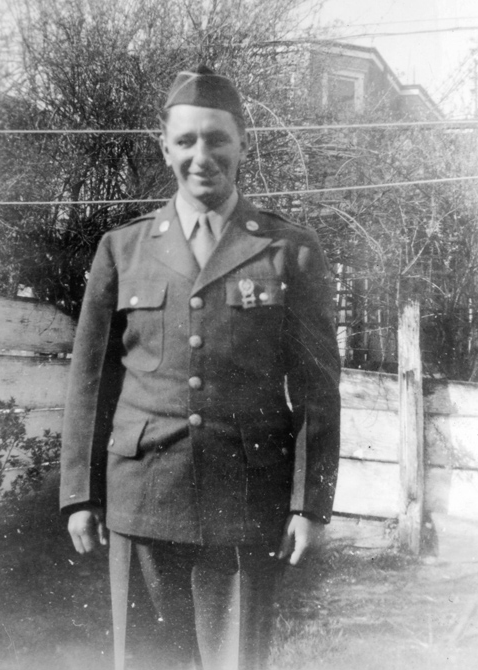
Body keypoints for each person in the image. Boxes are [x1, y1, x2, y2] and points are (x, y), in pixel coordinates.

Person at [60, 65, 341, 670]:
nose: (201, 156)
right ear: (165, 148)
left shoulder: (289, 249)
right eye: (186, 141)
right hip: (143, 496)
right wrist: (80, 495)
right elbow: (90, 382)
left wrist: (308, 505)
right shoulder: (123, 249)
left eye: (217, 139)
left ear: (243, 144)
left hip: (245, 502)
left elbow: (317, 389)